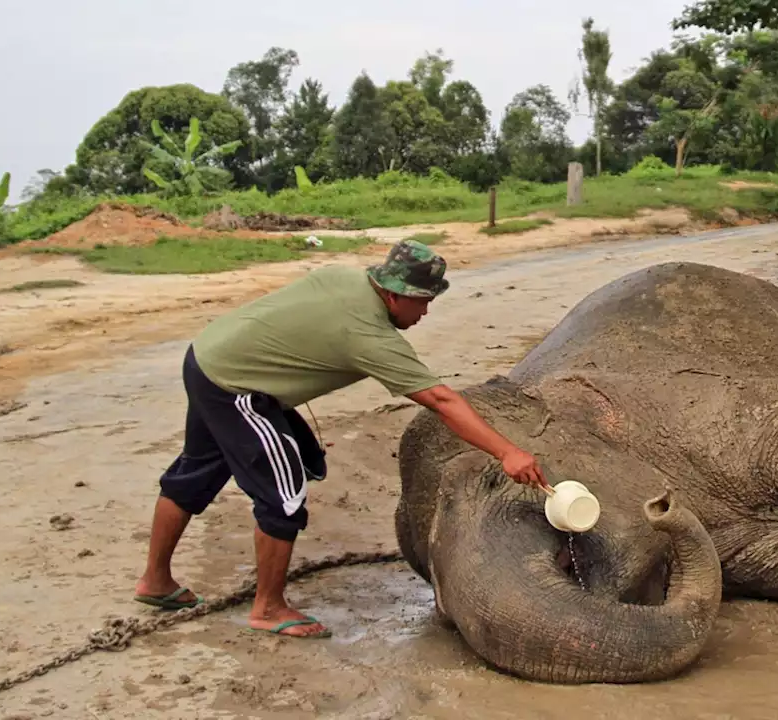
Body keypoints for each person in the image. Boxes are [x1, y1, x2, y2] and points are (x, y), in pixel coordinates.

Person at [133, 239, 548, 638]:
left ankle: (155, 580)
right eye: (422, 301)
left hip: (207, 356)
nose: (425, 312)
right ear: (393, 294)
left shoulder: (344, 278)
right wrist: (507, 452)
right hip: (238, 389)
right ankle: (269, 608)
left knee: (196, 470)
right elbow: (441, 400)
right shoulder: (370, 337)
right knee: (284, 494)